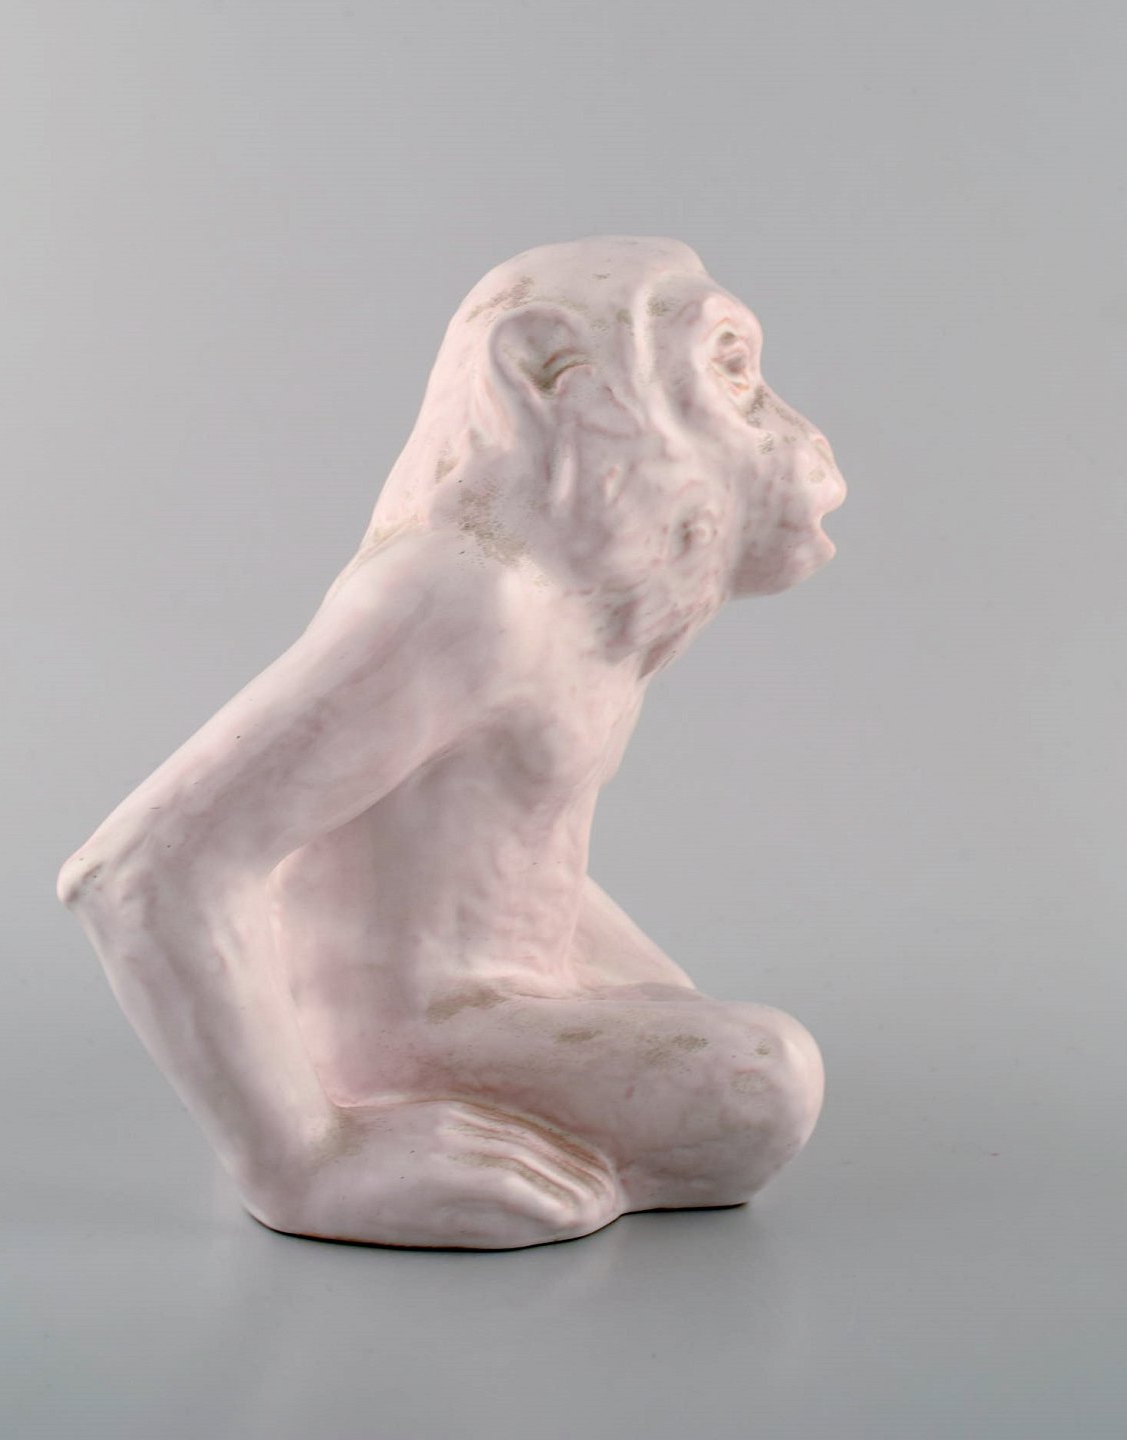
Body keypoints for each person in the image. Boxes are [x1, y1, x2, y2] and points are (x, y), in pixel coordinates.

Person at [58, 236, 847, 1249]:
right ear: (548, 375)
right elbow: (140, 870)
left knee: (718, 1047)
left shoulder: (578, 609)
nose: (787, 429)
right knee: (762, 1084)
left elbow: (506, 860)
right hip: (406, 1030)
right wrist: (303, 1157)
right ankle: (373, 1118)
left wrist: (655, 1003)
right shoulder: (467, 598)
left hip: (493, 998)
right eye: (730, 373)